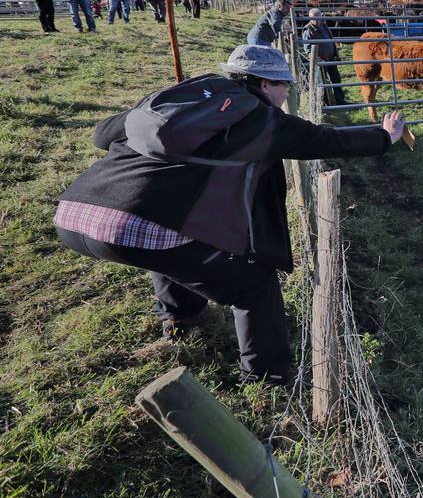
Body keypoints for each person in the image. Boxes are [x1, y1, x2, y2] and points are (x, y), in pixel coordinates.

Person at [53, 44, 405, 384]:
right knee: (253, 285)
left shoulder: (184, 96)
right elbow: (327, 141)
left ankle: (179, 318)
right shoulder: (263, 120)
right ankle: (268, 377)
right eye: (285, 86)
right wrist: (384, 138)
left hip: (76, 211)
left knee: (175, 247)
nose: (286, 94)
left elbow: (102, 135)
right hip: (133, 223)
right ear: (265, 84)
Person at [301, 9, 347, 106]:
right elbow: (307, 49)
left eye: (319, 16)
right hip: (320, 62)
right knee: (322, 83)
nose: (318, 19)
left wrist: (335, 53)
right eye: (315, 18)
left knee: (336, 79)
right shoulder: (308, 30)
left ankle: (340, 101)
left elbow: (330, 39)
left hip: (330, 58)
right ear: (311, 18)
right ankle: (325, 103)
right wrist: (316, 59)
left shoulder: (324, 26)